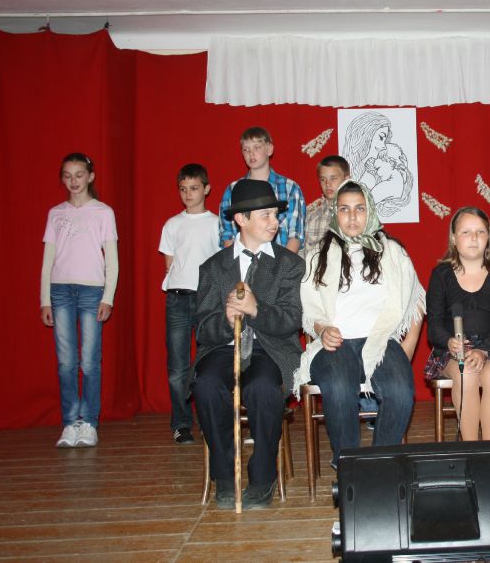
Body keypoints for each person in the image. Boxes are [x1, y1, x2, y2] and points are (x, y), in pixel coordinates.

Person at [294, 180, 423, 466]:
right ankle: (348, 463)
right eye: (344, 209)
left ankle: (379, 464)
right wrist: (322, 330)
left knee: (401, 392)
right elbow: (310, 309)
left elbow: (416, 301)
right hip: (335, 342)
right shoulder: (317, 255)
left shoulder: (393, 251)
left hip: (380, 340)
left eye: (359, 209)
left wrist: (407, 349)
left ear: (370, 211)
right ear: (335, 214)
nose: (352, 217)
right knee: (339, 387)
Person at [192, 179, 303, 509]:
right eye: (265, 215)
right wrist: (226, 319)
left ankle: (263, 476)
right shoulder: (213, 267)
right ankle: (226, 475)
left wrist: (256, 309)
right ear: (241, 219)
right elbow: (203, 329)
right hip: (224, 348)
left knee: (263, 389)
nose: (274, 222)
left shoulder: (290, 265)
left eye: (275, 215)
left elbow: (291, 320)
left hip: (270, 348)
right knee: (206, 385)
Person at [424, 207, 490, 441]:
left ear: (488, 237)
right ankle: (471, 448)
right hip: (454, 351)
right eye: (466, 232)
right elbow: (433, 327)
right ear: (454, 238)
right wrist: (449, 342)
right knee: (468, 375)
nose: (473, 237)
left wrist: (483, 350)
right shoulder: (441, 274)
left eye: (480, 231)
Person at [40, 152, 118, 448]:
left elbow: (112, 260)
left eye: (79, 175)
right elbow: (47, 261)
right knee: (66, 362)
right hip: (60, 291)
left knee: (89, 361)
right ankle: (70, 422)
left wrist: (107, 297)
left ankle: (89, 422)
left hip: (91, 292)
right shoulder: (56, 214)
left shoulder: (103, 212)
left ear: (90, 176)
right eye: (68, 176)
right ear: (62, 179)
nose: (74, 181)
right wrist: (45, 300)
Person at [158, 163, 220, 445]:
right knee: (177, 367)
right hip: (178, 298)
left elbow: (220, 263)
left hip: (207, 298)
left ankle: (209, 420)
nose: (188, 194)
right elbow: (169, 263)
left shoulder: (216, 223)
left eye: (194, 188)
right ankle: (181, 423)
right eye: (183, 189)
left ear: (206, 189)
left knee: (208, 363)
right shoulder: (172, 224)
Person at [218, 126, 306, 253]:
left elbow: (295, 235)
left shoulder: (290, 187)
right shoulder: (233, 190)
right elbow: (227, 235)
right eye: (246, 149)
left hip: (280, 260)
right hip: (242, 261)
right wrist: (236, 264)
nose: (251, 153)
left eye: (257, 147)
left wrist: (283, 265)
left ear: (269, 149)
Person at [341, 112, 413, 217]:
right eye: (381, 138)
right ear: (365, 137)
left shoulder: (384, 180)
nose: (383, 147)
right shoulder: (356, 173)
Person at [303, 155, 350, 259]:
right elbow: (303, 254)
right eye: (323, 179)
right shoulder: (311, 218)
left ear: (346, 180)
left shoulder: (359, 217)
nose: (328, 184)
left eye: (333, 178)